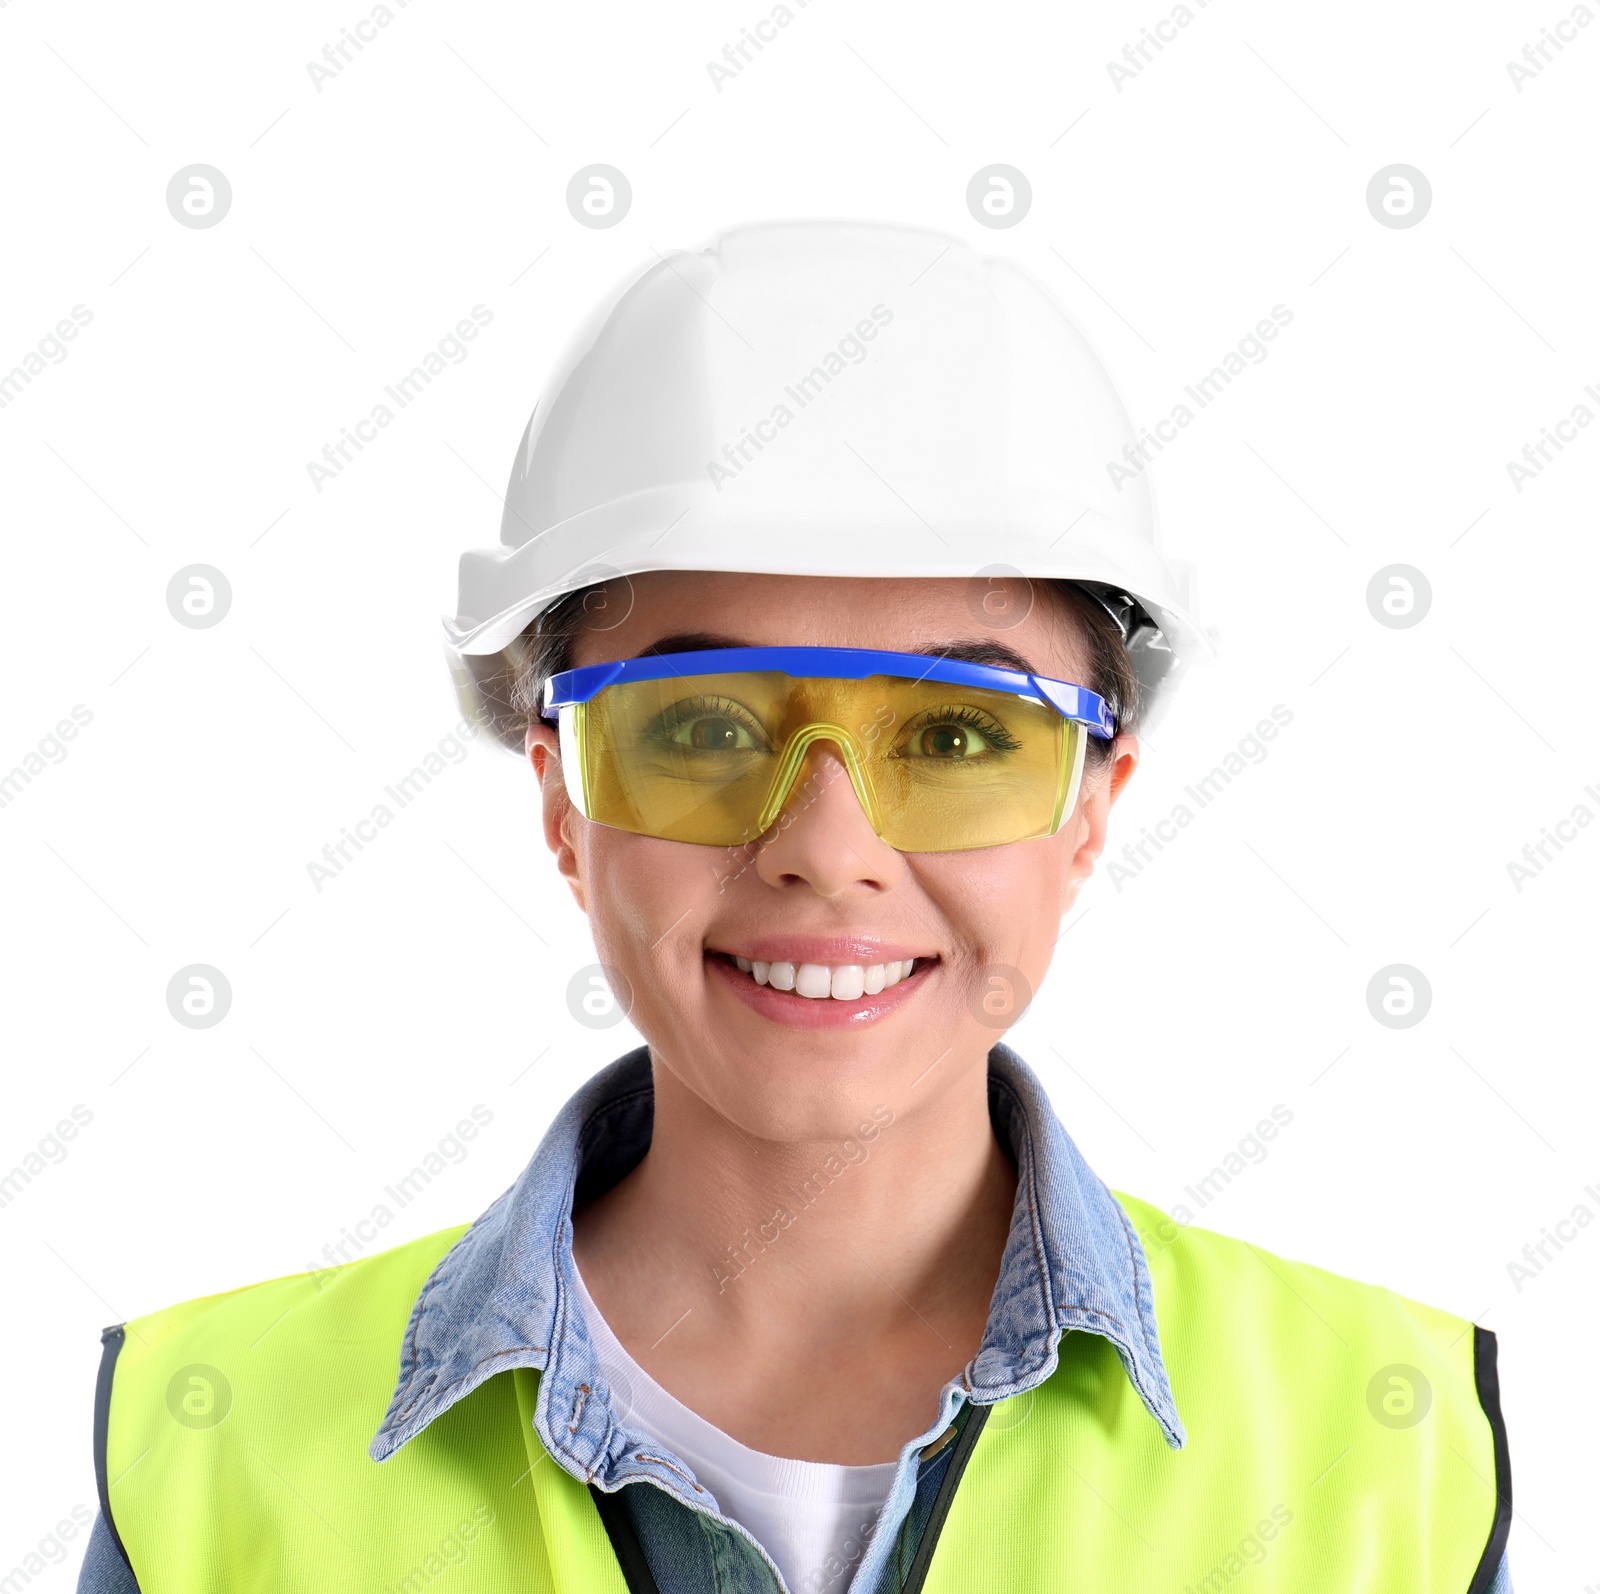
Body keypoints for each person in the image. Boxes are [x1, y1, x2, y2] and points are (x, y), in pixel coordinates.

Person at [77, 221, 1513, 1593]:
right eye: (702, 727)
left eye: (956, 736)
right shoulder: (218, 1450)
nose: (828, 850)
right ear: (563, 803)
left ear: (1092, 809)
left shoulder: (1385, 1451)